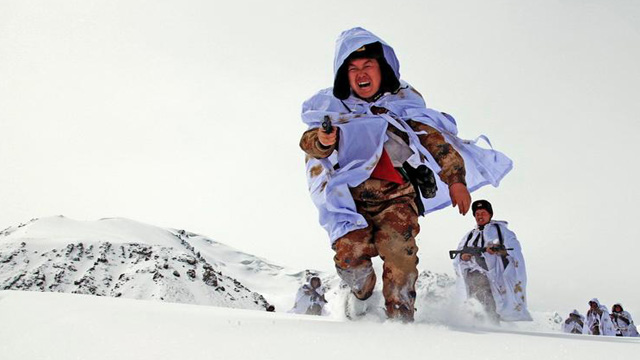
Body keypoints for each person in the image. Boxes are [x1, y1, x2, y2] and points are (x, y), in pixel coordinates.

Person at [300, 27, 513, 322]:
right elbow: (312, 142)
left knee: (400, 256)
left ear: (381, 68)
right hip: (350, 201)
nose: (361, 73)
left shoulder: (400, 106)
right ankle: (360, 296)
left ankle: (401, 324)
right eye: (353, 68)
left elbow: (433, 139)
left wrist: (456, 181)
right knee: (351, 258)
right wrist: (322, 141)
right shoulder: (335, 111)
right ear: (344, 75)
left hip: (397, 198)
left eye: (368, 65)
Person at [452, 200, 532, 323]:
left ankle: (492, 330)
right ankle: (480, 327)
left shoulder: (502, 232)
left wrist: (499, 250)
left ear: (490, 214)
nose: (480, 216)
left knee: (490, 305)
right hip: (472, 277)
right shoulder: (469, 235)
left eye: (483, 213)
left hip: (493, 277)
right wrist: (463, 257)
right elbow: (458, 255)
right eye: (477, 213)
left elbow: (515, 251)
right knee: (476, 304)